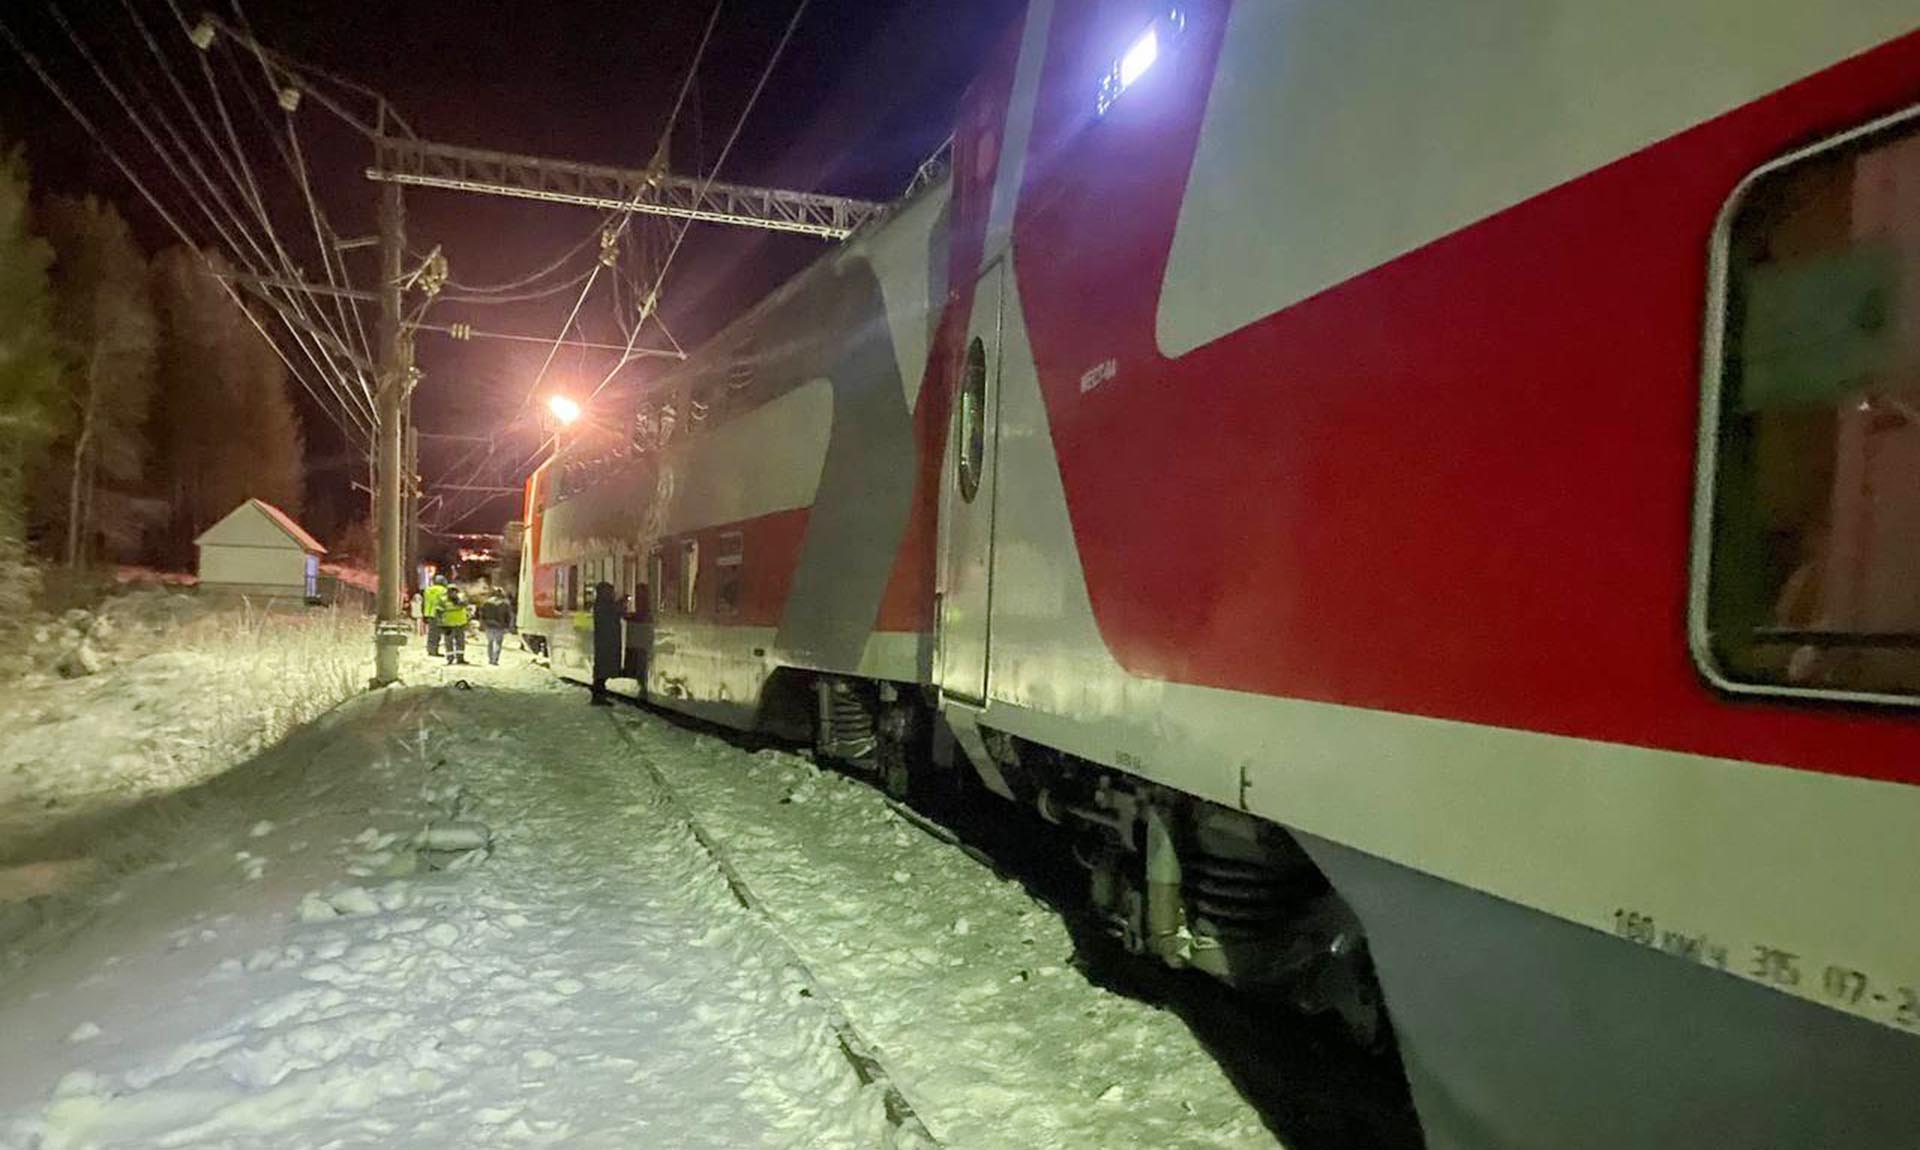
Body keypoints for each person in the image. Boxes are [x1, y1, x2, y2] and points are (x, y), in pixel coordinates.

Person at [590, 579, 622, 705]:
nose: (612, 594)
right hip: (605, 642)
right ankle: (598, 697)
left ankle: (599, 696)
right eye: (609, 592)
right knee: (601, 671)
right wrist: (621, 603)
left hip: (604, 641)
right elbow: (612, 614)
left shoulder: (600, 605)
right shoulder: (603, 606)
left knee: (601, 670)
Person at [440, 583, 471, 665]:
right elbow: (439, 612)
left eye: (454, 591)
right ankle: (450, 658)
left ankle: (460, 658)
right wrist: (441, 624)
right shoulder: (443, 600)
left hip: (460, 624)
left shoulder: (461, 599)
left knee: (460, 642)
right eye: (451, 591)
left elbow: (466, 604)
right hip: (448, 625)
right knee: (448, 643)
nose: (452, 593)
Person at [479, 591, 513, 667]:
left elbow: (482, 614)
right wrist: (508, 626)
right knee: (498, 643)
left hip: (489, 625)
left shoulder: (486, 603)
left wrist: (482, 624)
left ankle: (490, 659)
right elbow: (508, 616)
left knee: (490, 642)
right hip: (500, 626)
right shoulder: (505, 604)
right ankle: (495, 659)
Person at [423, 575, 449, 657]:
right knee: (437, 633)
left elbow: (425, 602)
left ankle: (430, 649)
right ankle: (434, 651)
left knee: (431, 633)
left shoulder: (428, 590)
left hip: (429, 613)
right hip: (439, 613)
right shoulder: (444, 590)